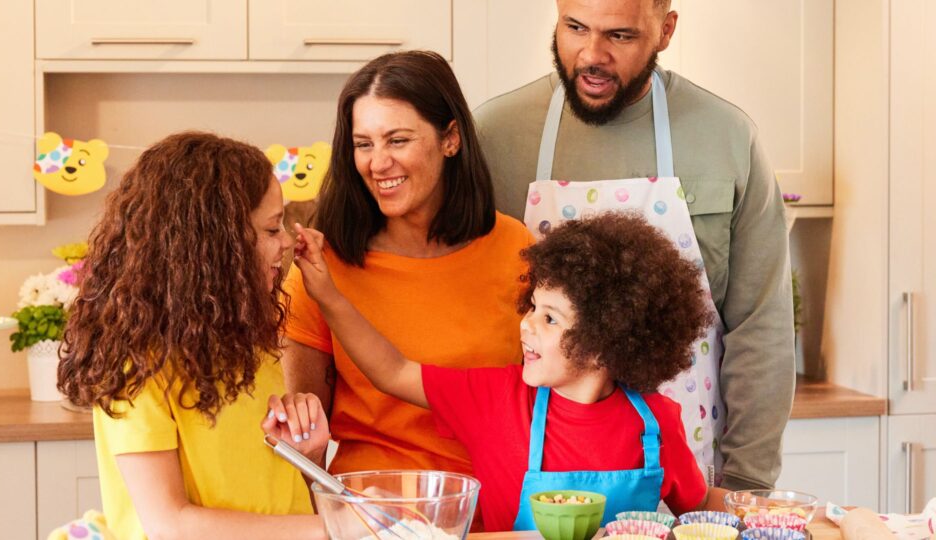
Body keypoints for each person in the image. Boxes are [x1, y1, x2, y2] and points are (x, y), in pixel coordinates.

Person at [473, 0, 796, 491]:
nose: (591, 55)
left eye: (620, 36)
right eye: (574, 27)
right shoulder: (494, 135)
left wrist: (745, 486)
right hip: (529, 482)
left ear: (665, 30)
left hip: (689, 484)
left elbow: (761, 326)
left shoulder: (726, 138)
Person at [274, 212, 728, 532]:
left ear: (606, 340)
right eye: (532, 307)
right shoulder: (495, 400)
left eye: (550, 318)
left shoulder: (656, 423)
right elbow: (392, 371)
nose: (526, 325)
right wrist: (327, 294)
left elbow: (702, 507)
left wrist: (762, 509)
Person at [57, 132, 326, 540]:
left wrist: (310, 457)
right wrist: (333, 527)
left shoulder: (249, 342)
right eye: (273, 229)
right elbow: (169, 524)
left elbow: (283, 507)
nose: (287, 241)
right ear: (218, 246)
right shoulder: (139, 365)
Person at [281, 50, 533, 478]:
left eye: (397, 140)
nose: (378, 163)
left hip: (494, 501)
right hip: (367, 504)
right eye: (363, 144)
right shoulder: (322, 268)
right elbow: (302, 444)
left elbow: (547, 407)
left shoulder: (515, 247)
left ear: (450, 139)